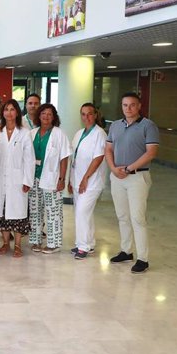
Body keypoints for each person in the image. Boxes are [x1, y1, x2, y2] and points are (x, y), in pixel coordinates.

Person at [105, 92, 159, 274]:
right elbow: (108, 149)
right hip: (117, 176)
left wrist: (128, 169)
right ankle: (126, 251)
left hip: (137, 177)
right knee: (122, 216)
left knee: (137, 218)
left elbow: (151, 153)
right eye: (125, 105)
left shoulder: (148, 126)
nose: (128, 108)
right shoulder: (115, 126)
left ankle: (143, 259)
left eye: (132, 105)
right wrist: (113, 168)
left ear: (139, 106)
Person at [0, 99, 35, 258]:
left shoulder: (24, 133)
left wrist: (27, 181)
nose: (9, 113)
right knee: (2, 213)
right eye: (6, 110)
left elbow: (29, 159)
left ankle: (17, 245)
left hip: (17, 179)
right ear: (3, 113)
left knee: (18, 214)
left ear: (17, 112)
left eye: (12, 109)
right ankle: (5, 243)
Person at [28, 104, 71, 254]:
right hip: (34, 177)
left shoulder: (59, 134)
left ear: (54, 117)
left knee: (53, 211)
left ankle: (53, 243)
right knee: (35, 210)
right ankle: (36, 240)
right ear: (38, 116)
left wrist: (62, 179)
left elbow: (64, 158)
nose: (46, 116)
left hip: (52, 178)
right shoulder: (32, 133)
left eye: (49, 114)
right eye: (43, 113)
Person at [68, 103, 107, 259]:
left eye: (90, 114)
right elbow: (74, 158)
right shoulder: (79, 133)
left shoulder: (100, 134)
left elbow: (98, 158)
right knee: (86, 213)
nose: (86, 117)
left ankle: (82, 247)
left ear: (95, 115)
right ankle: (87, 244)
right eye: (83, 114)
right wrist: (71, 181)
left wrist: (85, 178)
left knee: (81, 212)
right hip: (77, 180)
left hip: (91, 182)